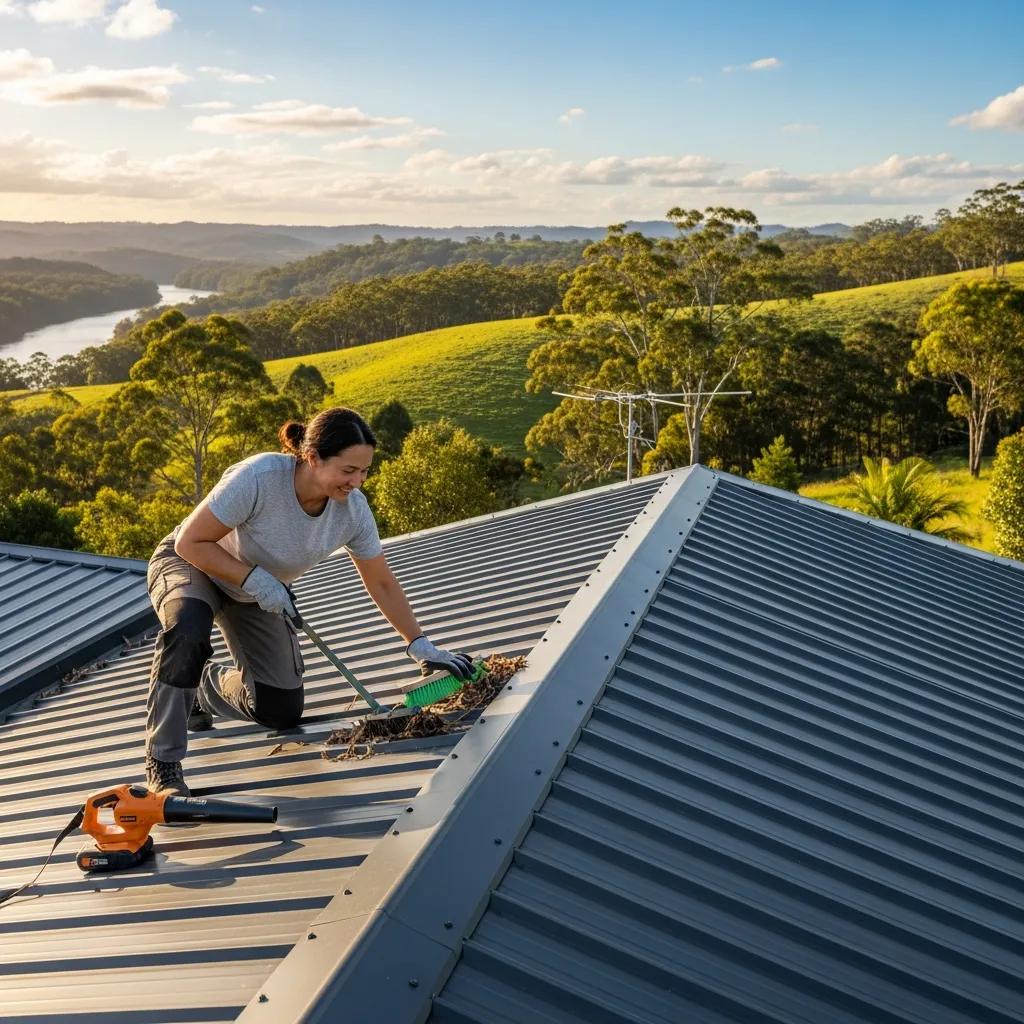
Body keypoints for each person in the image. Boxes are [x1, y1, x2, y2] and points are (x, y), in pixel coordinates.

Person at [143, 406, 474, 796]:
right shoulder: (260, 477)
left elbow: (381, 582)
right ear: (312, 457)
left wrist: (418, 643)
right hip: (195, 563)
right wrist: (254, 578)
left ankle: (202, 685)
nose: (357, 482)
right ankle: (163, 765)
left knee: (280, 709)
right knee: (187, 631)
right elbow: (190, 542)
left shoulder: (352, 512)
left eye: (364, 471)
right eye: (348, 470)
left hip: (257, 592)